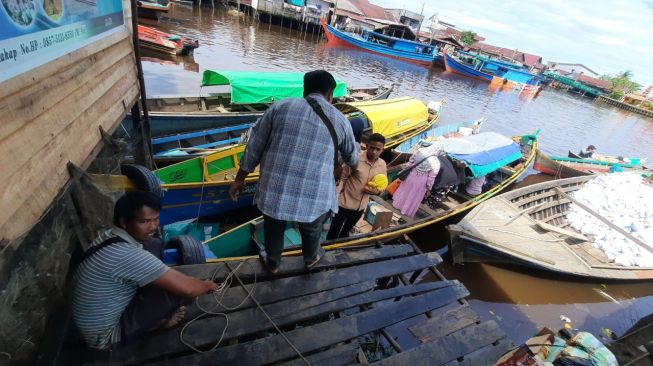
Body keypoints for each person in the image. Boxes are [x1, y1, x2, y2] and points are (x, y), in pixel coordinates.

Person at [229, 70, 359, 273]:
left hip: (275, 189)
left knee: (274, 227)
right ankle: (311, 259)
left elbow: (254, 146)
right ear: (330, 94)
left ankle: (273, 262)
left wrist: (239, 179)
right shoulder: (341, 120)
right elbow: (353, 158)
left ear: (305, 89)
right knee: (312, 229)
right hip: (314, 194)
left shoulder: (280, 107)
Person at [72, 191, 218, 351]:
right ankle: (160, 324)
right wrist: (207, 286)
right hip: (105, 336)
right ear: (124, 222)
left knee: (154, 244)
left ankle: (156, 285)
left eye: (156, 220)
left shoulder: (109, 235)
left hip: (98, 312)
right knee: (174, 292)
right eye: (145, 221)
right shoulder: (127, 255)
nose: (154, 227)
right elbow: (189, 288)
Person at [327, 133, 387, 240]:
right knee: (333, 232)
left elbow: (382, 185)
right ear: (367, 146)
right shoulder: (356, 159)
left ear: (382, 150)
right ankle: (328, 252)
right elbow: (343, 178)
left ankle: (340, 250)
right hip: (344, 203)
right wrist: (336, 197)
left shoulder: (382, 165)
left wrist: (377, 192)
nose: (374, 152)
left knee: (346, 231)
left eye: (378, 149)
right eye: (372, 148)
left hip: (360, 207)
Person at [392, 142, 443, 217]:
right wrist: (429, 187)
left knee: (405, 190)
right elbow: (431, 177)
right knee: (413, 196)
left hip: (411, 175)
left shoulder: (420, 151)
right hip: (422, 181)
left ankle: (396, 205)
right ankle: (405, 211)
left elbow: (410, 163)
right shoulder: (436, 162)